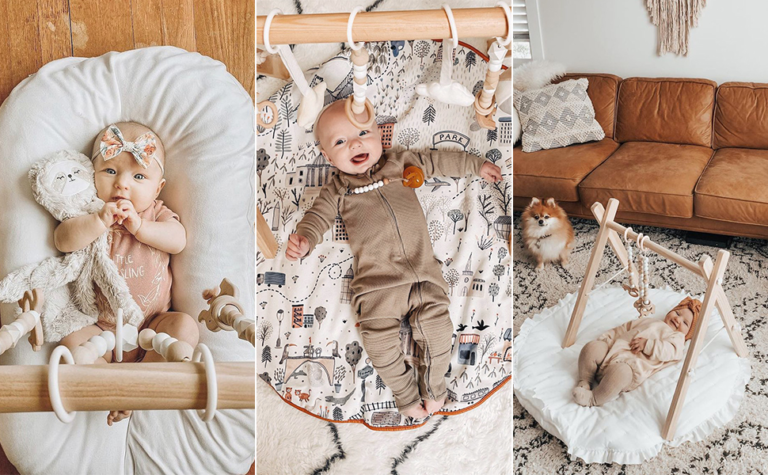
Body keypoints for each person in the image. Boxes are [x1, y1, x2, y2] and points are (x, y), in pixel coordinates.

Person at [285, 100, 503, 419]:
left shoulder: (400, 162)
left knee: (439, 332)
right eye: (341, 141)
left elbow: (436, 161)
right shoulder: (337, 189)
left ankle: (435, 388)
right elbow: (318, 217)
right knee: (379, 343)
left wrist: (474, 165)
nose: (356, 143)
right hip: (377, 285)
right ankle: (405, 395)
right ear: (327, 156)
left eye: (363, 132)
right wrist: (305, 239)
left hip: (424, 275)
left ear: (379, 136)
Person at [54, 122, 199, 425]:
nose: (122, 184)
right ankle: (113, 386)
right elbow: (63, 240)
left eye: (138, 176)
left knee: (185, 329)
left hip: (153, 324)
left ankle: (142, 383)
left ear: (157, 187)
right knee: (69, 340)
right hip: (99, 328)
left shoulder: (155, 213)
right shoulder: (89, 211)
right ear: (90, 173)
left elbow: (178, 239)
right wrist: (97, 222)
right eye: (110, 171)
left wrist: (141, 228)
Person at [573, 297, 701, 407]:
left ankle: (593, 398)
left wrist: (648, 345)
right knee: (592, 348)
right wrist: (607, 340)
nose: (678, 320)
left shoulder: (677, 338)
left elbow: (670, 351)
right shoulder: (651, 321)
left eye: (685, 323)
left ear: (689, 334)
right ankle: (585, 380)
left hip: (630, 368)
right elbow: (625, 328)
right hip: (611, 351)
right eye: (677, 313)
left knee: (620, 373)